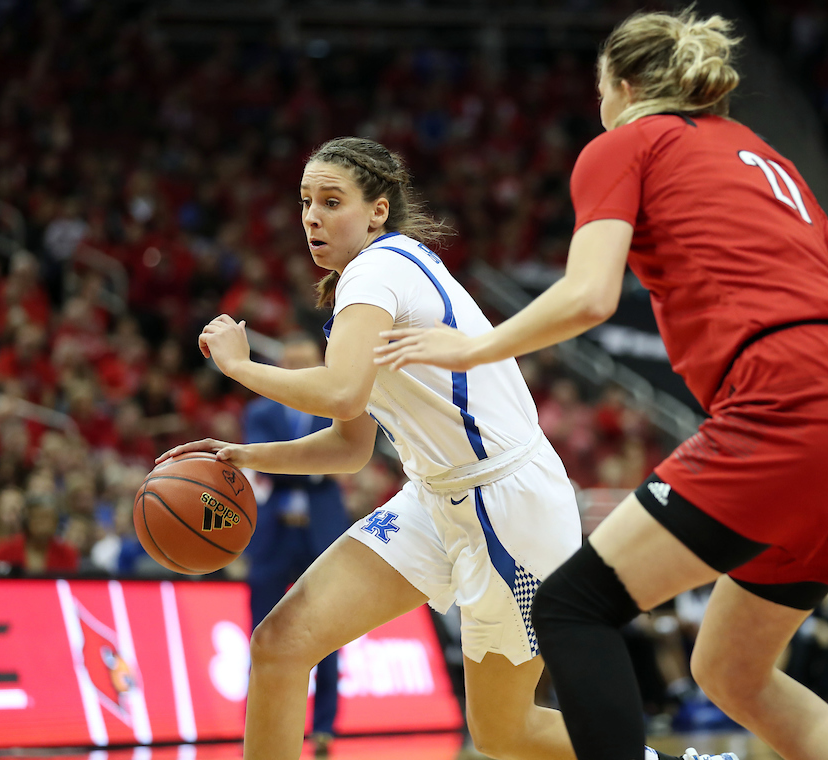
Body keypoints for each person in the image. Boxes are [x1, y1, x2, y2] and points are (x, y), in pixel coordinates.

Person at [375, 8, 828, 760]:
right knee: (731, 670)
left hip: (794, 394)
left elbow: (590, 296)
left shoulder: (624, 142)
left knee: (571, 608)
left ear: (624, 87)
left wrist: (474, 348)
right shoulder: (770, 159)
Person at [157, 137, 724, 760]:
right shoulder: (366, 284)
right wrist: (247, 455)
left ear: (377, 210)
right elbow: (351, 446)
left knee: (504, 731)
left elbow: (343, 393)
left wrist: (240, 366)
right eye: (304, 202)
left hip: (508, 508)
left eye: (330, 201)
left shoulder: (378, 270)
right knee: (280, 646)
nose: (312, 217)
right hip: (436, 497)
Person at [242, 333, 350, 753]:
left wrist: (286, 463)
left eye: (305, 361)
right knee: (261, 631)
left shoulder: (335, 403)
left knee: (328, 629)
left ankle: (324, 726)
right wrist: (317, 466)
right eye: (290, 361)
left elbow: (282, 462)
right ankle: (256, 723)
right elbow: (259, 456)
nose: (297, 368)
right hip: (272, 535)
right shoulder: (260, 409)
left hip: (322, 530)